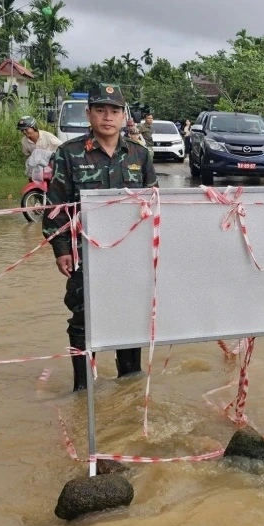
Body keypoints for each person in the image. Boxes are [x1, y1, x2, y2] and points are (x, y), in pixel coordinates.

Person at [43, 84, 157, 392]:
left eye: (115, 111)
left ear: (123, 116)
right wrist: (61, 249)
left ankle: (129, 388)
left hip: (131, 258)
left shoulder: (140, 156)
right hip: (85, 256)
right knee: (82, 319)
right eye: (101, 110)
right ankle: (83, 391)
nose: (108, 117)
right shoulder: (69, 154)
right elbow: (55, 207)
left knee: (131, 318)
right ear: (89, 113)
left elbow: (155, 208)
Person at [17, 116, 62, 183]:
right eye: (22, 130)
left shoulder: (47, 136)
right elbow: (27, 156)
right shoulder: (24, 141)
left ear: (33, 127)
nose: (24, 132)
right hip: (36, 168)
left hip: (51, 166)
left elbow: (61, 146)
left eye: (26, 129)